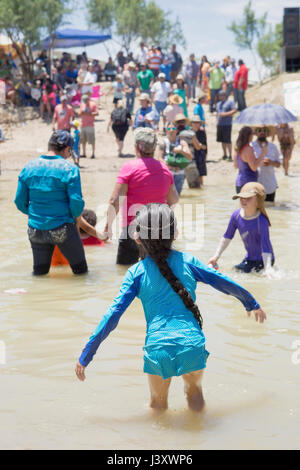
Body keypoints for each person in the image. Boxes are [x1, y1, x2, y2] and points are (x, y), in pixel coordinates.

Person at [75, 203, 267, 411]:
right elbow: (222, 281)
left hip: (158, 349)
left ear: (137, 238)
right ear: (175, 234)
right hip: (191, 344)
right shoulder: (189, 261)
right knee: (195, 398)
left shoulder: (136, 273)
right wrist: (251, 302)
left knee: (157, 406)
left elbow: (112, 316)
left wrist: (87, 353)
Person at [14, 130, 88, 276]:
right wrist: (74, 216)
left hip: (35, 229)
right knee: (81, 272)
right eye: (70, 151)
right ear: (67, 149)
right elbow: (76, 203)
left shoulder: (29, 167)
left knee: (39, 274)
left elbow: (19, 201)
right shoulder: (70, 169)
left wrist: (35, 214)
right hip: (63, 228)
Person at [103, 128, 179, 265]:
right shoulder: (165, 169)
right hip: (160, 231)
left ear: (136, 147)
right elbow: (174, 200)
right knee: (158, 271)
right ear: (154, 147)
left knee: (125, 274)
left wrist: (107, 227)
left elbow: (114, 201)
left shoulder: (129, 168)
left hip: (132, 231)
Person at [208, 182, 274, 274]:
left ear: (258, 201)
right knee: (234, 271)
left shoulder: (261, 221)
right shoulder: (236, 216)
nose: (243, 200)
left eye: (248, 198)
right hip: (249, 259)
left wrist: (268, 268)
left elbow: (265, 246)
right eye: (242, 197)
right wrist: (216, 257)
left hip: (264, 260)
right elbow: (227, 237)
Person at [158, 124, 192, 195]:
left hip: (179, 174)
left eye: (173, 128)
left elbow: (190, 157)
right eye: (169, 129)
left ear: (176, 130)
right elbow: (159, 159)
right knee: (165, 196)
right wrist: (172, 167)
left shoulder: (182, 142)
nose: (171, 131)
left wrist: (180, 151)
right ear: (166, 131)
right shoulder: (163, 143)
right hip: (167, 173)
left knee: (176, 196)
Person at [252, 126, 281, 202]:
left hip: (270, 184)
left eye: (265, 130)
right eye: (259, 130)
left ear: (267, 133)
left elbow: (279, 164)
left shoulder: (273, 147)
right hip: (255, 184)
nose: (262, 132)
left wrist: (271, 163)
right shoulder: (251, 146)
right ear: (256, 133)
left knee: (271, 209)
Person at [234, 126, 267, 193]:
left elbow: (236, 166)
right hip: (248, 183)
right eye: (253, 134)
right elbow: (254, 167)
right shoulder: (248, 149)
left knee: (242, 203)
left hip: (239, 182)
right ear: (249, 135)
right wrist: (262, 153)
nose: (253, 136)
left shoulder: (237, 148)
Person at [216, 90, 237, 161]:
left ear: (225, 95)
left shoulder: (230, 102)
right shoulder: (218, 104)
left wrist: (225, 114)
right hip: (220, 124)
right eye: (219, 95)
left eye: (221, 95)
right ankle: (224, 154)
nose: (220, 97)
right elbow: (218, 113)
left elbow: (234, 110)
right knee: (222, 140)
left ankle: (230, 155)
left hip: (227, 124)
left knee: (228, 140)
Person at [78, 94, 99, 159]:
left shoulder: (93, 104)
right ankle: (84, 153)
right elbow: (79, 113)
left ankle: (93, 153)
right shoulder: (82, 104)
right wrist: (81, 112)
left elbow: (97, 113)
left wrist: (89, 113)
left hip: (90, 125)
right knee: (83, 140)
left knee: (92, 140)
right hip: (83, 124)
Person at [191, 115, 207, 187]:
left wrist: (198, 145)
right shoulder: (189, 132)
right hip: (191, 155)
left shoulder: (202, 132)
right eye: (194, 122)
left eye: (197, 123)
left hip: (200, 155)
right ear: (191, 123)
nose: (196, 124)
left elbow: (205, 147)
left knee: (200, 175)